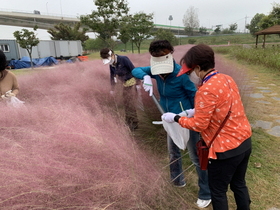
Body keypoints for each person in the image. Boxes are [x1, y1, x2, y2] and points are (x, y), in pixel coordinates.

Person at [161, 44, 252, 210]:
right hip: (244, 141)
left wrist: (175, 117)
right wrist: (195, 110)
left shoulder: (205, 90)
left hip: (225, 150)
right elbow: (224, 105)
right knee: (239, 184)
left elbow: (199, 125)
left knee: (217, 191)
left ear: (197, 68)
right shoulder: (227, 78)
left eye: (190, 71)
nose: (191, 75)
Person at [132, 40, 211, 208]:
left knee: (196, 157)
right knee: (173, 153)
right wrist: (145, 76)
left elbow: (196, 99)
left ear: (170, 55)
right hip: (168, 119)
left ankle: (206, 192)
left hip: (186, 120)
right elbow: (135, 69)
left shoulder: (182, 75)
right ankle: (177, 180)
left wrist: (190, 115)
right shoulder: (155, 70)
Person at [100, 48, 139, 131]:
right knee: (126, 103)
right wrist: (112, 88)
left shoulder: (124, 59)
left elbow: (134, 70)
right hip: (123, 83)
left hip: (131, 82)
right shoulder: (111, 63)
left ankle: (134, 123)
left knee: (130, 103)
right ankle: (128, 121)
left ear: (112, 55)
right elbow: (112, 75)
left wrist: (138, 84)